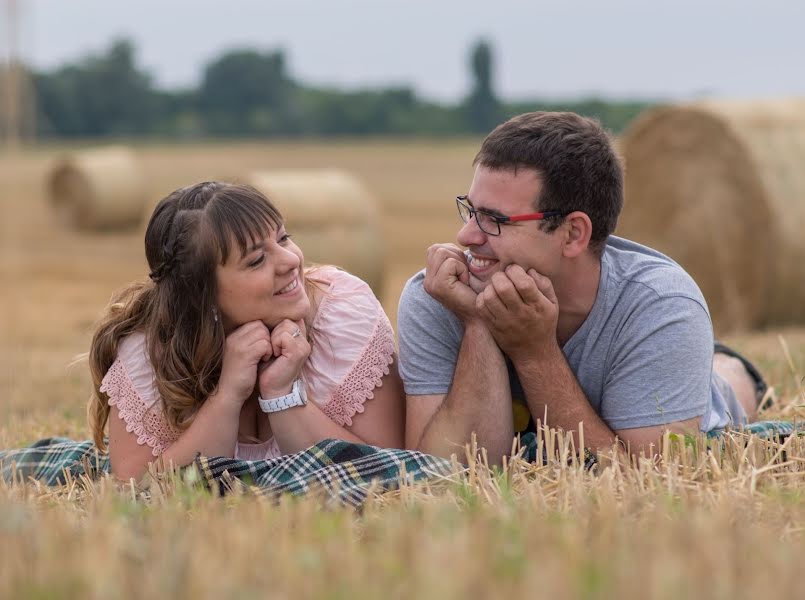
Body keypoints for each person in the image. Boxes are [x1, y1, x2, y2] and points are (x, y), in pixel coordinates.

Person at [398, 111, 766, 462]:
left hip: (689, 379)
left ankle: (730, 369)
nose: (466, 235)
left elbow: (641, 483)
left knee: (723, 391)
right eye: (471, 210)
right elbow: (438, 469)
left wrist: (534, 352)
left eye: (495, 220)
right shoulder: (438, 295)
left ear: (573, 234)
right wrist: (477, 322)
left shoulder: (661, 306)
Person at [89, 181, 404, 480]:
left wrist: (283, 396)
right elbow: (135, 492)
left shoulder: (343, 314)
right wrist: (226, 396)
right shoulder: (151, 350)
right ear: (203, 295)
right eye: (256, 261)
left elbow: (394, 473)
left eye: (283, 238)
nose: (291, 260)